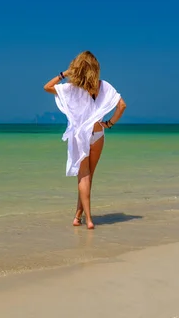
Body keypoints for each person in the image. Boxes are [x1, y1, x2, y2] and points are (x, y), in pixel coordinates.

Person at [44, 51, 126, 229]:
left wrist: (64, 73)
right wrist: (109, 123)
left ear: (77, 67)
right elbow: (122, 106)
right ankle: (78, 215)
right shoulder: (103, 86)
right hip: (97, 134)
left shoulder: (71, 88)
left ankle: (88, 219)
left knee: (84, 177)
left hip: (80, 135)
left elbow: (47, 87)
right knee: (89, 176)